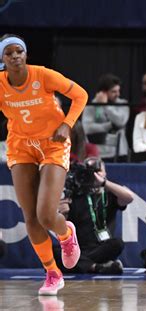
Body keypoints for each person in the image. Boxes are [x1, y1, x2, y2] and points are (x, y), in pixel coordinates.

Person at [0, 34, 88, 295]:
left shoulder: (43, 75)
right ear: (2, 59)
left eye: (20, 51)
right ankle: (52, 273)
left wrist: (66, 124)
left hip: (53, 142)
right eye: (9, 53)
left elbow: (81, 95)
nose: (16, 56)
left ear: (26, 54)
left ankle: (66, 235)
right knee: (30, 217)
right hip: (20, 146)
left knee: (46, 215)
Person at [54, 157, 134, 274]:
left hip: (102, 247)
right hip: (79, 249)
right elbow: (60, 233)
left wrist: (104, 183)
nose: (94, 175)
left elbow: (129, 197)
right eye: (91, 172)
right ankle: (97, 267)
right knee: (54, 251)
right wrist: (63, 214)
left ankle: (83, 265)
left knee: (117, 243)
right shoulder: (75, 195)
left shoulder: (109, 194)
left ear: (105, 173)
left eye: (98, 171)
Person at [82, 73, 129, 162]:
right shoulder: (92, 105)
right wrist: (109, 125)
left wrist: (106, 106)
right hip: (99, 154)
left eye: (118, 91)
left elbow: (120, 122)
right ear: (103, 92)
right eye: (114, 92)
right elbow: (87, 128)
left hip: (120, 153)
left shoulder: (123, 104)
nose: (118, 94)